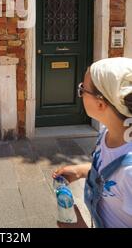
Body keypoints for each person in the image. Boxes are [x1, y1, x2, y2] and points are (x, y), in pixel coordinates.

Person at [53, 57, 132, 228]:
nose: (80, 93)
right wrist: (82, 171)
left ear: (101, 103)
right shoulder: (108, 132)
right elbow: (113, 166)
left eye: (83, 89)